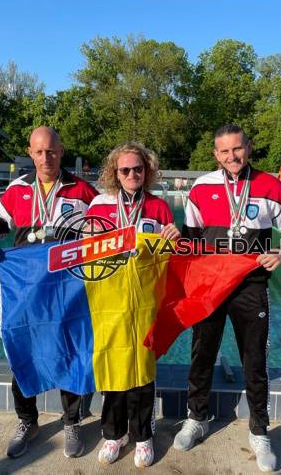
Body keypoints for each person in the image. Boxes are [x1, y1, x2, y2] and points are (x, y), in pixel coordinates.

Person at [174, 124, 281, 473]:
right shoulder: (201, 187)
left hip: (250, 285)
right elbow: (190, 239)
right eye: (224, 151)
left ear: (248, 148)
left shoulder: (270, 186)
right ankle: (196, 418)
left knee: (254, 359)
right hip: (210, 286)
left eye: (237, 149)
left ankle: (259, 431)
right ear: (215, 154)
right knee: (202, 353)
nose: (231, 156)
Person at [0, 126, 98, 459]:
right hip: (27, 288)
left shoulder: (82, 191)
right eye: (40, 152)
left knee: (71, 351)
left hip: (67, 290)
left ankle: (72, 421)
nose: (46, 158)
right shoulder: (18, 189)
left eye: (52, 151)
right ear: (30, 153)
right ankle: (27, 421)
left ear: (61, 151)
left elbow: (105, 226)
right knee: (23, 349)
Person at [86, 141, 180, 468]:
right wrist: (87, 235)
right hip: (109, 301)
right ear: (115, 172)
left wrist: (174, 238)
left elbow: (169, 257)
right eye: (124, 169)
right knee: (112, 365)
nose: (131, 174)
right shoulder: (99, 205)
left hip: (144, 302)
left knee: (142, 369)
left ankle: (143, 436)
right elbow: (85, 253)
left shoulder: (158, 208)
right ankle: (114, 435)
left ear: (146, 171)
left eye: (137, 169)